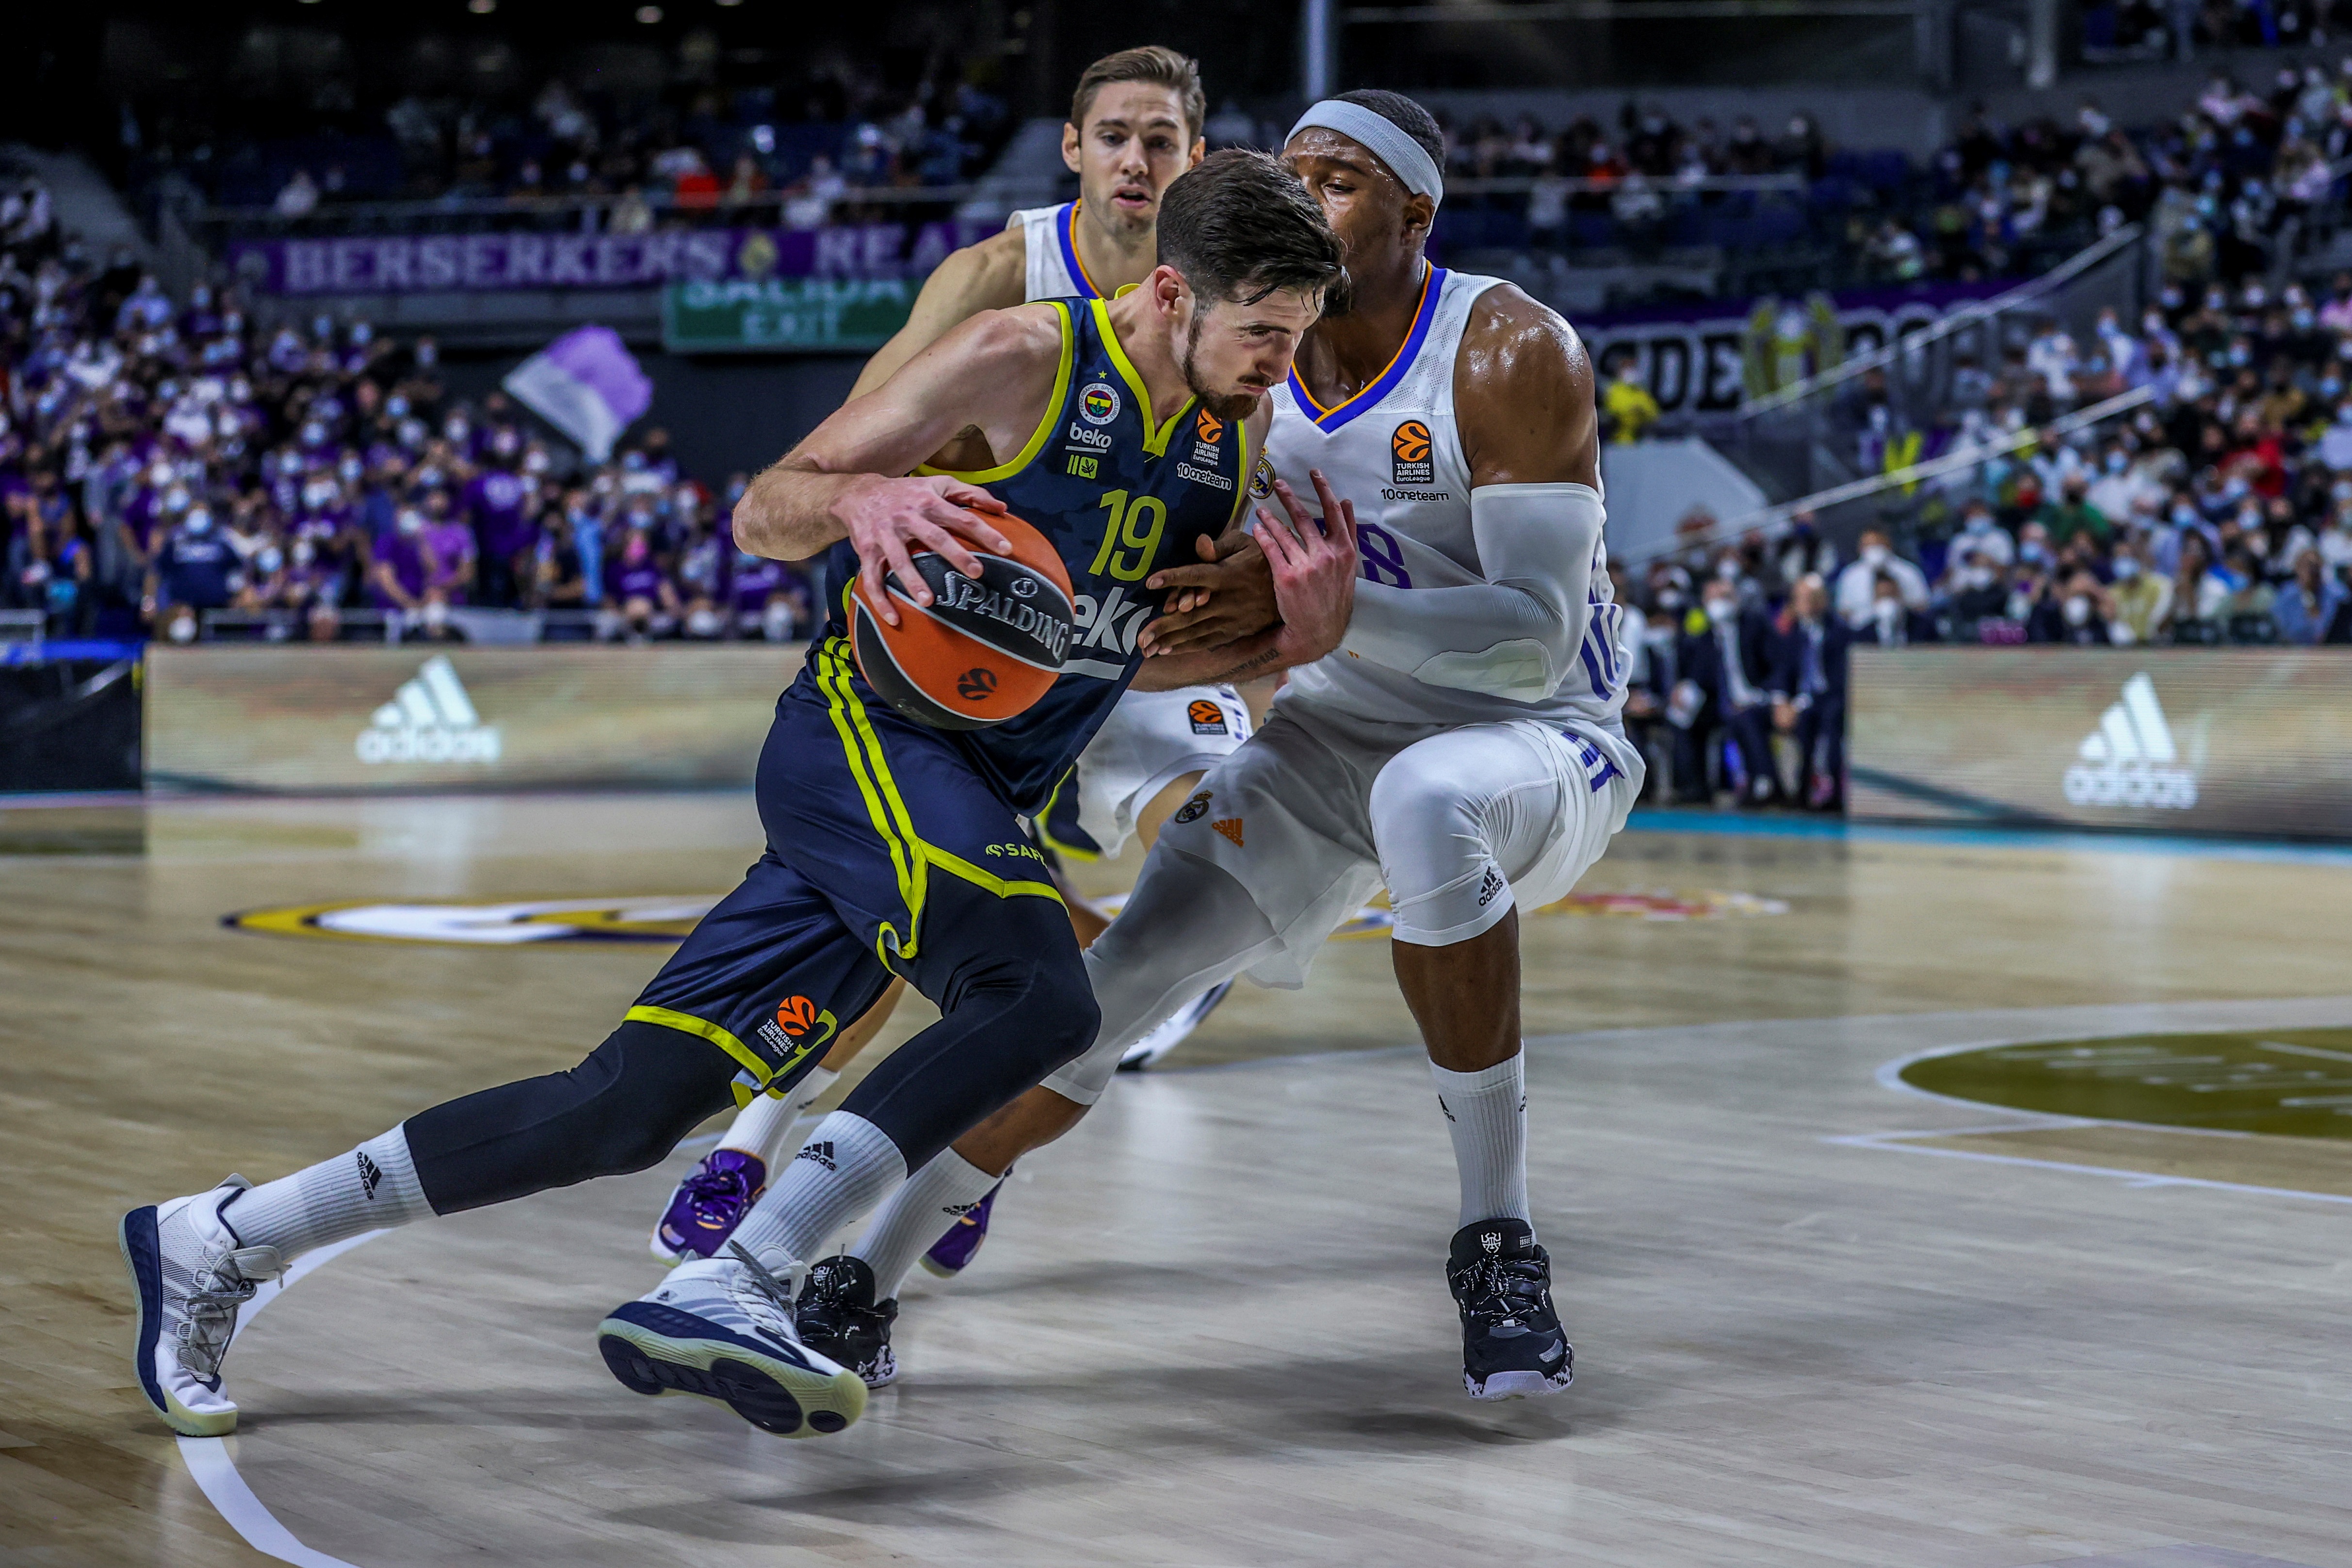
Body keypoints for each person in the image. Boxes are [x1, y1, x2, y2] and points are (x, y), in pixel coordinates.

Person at [120, 148, 1349, 1444]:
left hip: (977, 784)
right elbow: (766, 511)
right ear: (1170, 293)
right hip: (865, 734)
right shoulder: (1018, 356)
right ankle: (745, 1275)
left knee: (624, 1106)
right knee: (1041, 992)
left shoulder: (1232, 429)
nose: (1281, 360)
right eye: (1263, 330)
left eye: (1299, 334)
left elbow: (1126, 646)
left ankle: (221, 1237)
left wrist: (1291, 640)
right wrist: (862, 493)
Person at [781, 90, 1639, 1408]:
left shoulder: (1507, 349)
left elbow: (1533, 640)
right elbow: (1202, 616)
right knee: (1104, 994)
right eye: (1292, 176)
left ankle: (1497, 1239)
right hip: (1329, 728)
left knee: (1427, 797)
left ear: (1417, 213)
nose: (1308, 202)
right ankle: (867, 1280)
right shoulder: (1248, 370)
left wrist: (1346, 614)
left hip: (1533, 736)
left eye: (1341, 182)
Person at [648, 46, 1259, 1268]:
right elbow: (854, 458)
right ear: (1074, 153)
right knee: (896, 906)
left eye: (1161, 139)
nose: (1137, 159)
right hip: (978, 638)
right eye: (1116, 136)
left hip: (1119, 646)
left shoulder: (1237, 302)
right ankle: (753, 1144)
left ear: (1195, 159)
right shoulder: (995, 282)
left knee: (1220, 834)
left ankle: (979, 1148)